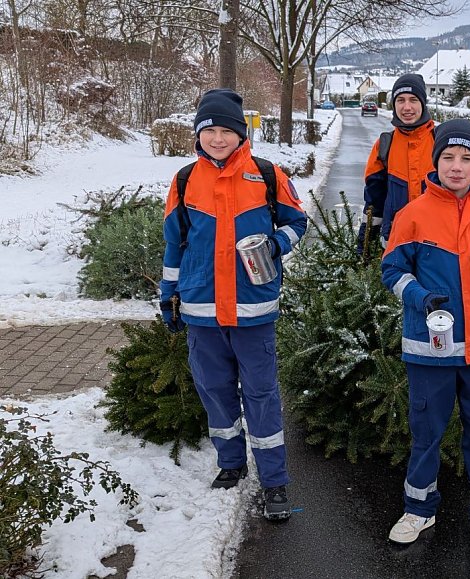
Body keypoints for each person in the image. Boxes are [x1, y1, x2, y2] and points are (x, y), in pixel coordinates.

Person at [159, 88, 307, 519]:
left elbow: (298, 222)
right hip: (202, 310)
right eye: (210, 131)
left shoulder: (267, 175)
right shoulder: (184, 181)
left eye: (227, 131)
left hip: (253, 311)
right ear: (198, 135)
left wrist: (276, 244)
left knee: (262, 395)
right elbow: (174, 245)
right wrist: (168, 295)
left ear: (242, 134)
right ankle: (231, 463)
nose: (218, 139)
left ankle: (274, 481)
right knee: (215, 392)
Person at [381, 119, 470, 554]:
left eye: (466, 158)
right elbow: (392, 271)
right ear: (436, 161)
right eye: (448, 157)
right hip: (429, 350)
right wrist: (419, 297)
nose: (456, 166)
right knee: (427, 434)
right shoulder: (412, 215)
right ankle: (418, 509)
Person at [357, 73, 436, 257]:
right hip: (395, 246)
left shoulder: (440, 142)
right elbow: (374, 202)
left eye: (413, 100)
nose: (407, 107)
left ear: (423, 103)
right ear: (394, 104)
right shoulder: (385, 145)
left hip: (436, 246)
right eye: (400, 100)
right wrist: (365, 245)